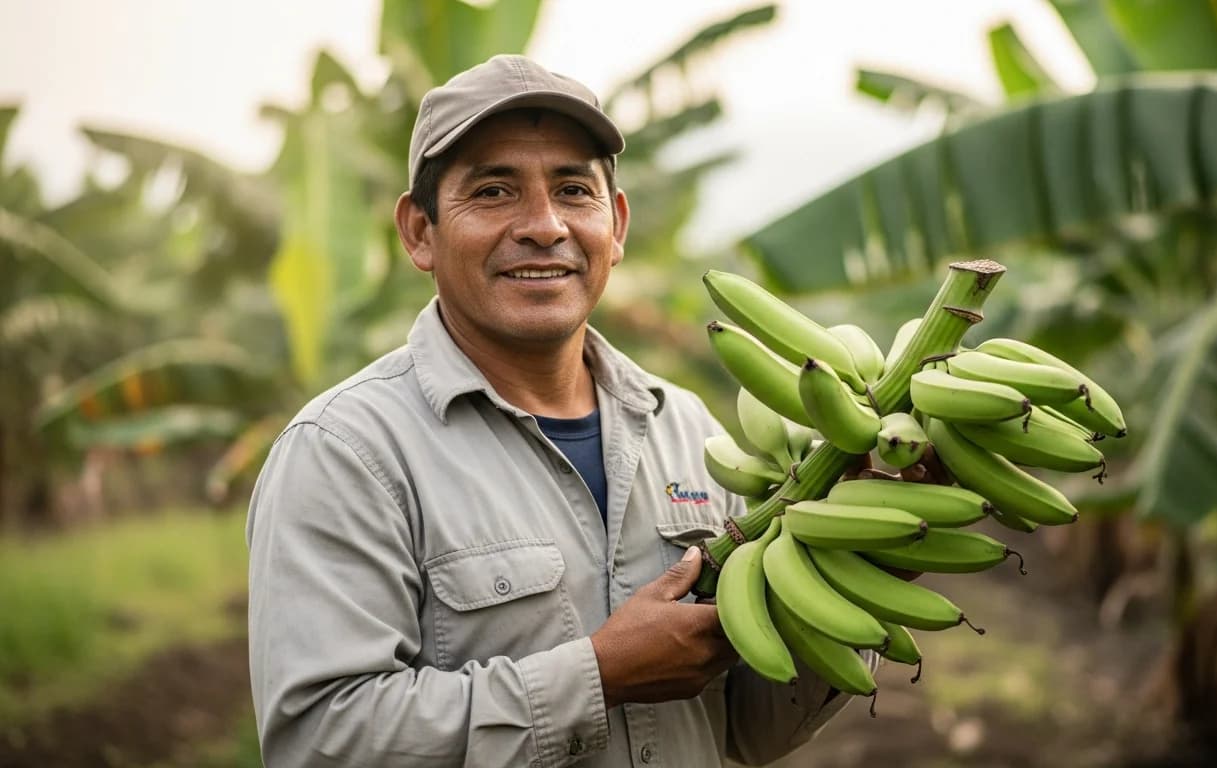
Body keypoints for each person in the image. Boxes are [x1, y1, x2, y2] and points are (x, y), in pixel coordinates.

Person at [245, 54, 872, 767]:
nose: (544, 226)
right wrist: (598, 677)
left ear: (617, 223)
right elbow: (320, 743)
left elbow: (748, 730)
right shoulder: (345, 453)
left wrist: (865, 554)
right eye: (493, 192)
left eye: (573, 190)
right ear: (419, 231)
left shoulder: (686, 430)